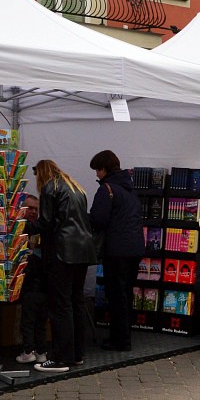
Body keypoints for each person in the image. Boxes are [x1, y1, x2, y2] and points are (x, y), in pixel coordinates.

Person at [27, 159, 97, 373]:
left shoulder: (50, 187)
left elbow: (46, 223)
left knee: (60, 305)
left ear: (41, 173)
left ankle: (60, 357)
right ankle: (76, 355)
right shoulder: (76, 187)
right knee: (76, 301)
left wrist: (22, 226)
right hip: (83, 250)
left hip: (62, 252)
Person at [88, 150, 145, 352]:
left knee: (116, 295)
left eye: (97, 169)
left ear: (104, 169)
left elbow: (99, 219)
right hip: (135, 248)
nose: (96, 174)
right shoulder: (130, 189)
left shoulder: (107, 189)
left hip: (117, 249)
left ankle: (120, 340)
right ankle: (124, 336)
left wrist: (85, 218)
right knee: (126, 294)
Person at [15, 196, 48, 364]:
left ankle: (30, 350)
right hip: (33, 283)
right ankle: (39, 351)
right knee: (35, 319)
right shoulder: (19, 228)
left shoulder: (40, 228)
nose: (33, 212)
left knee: (34, 319)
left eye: (36, 208)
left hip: (36, 283)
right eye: (30, 208)